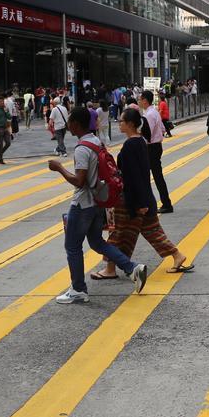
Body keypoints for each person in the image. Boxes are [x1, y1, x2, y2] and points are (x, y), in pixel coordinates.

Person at [49, 106, 148, 303]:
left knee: (72, 247)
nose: (68, 125)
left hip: (83, 204)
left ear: (76, 124)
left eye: (70, 122)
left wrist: (59, 168)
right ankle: (132, 268)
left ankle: (78, 289)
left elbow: (79, 180)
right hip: (98, 203)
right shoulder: (96, 142)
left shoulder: (82, 149)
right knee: (96, 242)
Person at [98, 107, 194, 279]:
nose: (119, 123)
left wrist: (139, 204)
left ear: (129, 124)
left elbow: (134, 176)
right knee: (152, 231)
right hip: (142, 198)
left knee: (117, 234)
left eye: (121, 121)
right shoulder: (141, 141)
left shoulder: (130, 145)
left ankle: (110, 269)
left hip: (132, 200)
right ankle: (177, 255)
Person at [139, 90, 174, 214]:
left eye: (140, 99)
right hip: (156, 146)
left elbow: (147, 133)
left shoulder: (149, 115)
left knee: (153, 177)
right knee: (155, 176)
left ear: (144, 100)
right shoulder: (154, 112)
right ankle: (163, 203)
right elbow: (163, 129)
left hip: (151, 148)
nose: (139, 102)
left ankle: (164, 204)